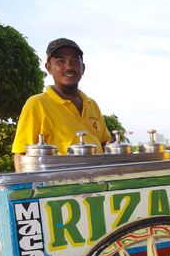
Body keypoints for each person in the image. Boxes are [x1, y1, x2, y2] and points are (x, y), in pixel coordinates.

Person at [12, 38, 111, 170]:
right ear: (48, 68)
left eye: (75, 60)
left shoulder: (91, 104)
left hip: (99, 185)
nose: (68, 67)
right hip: (59, 187)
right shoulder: (37, 104)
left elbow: (105, 142)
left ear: (83, 68)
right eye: (60, 61)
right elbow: (21, 155)